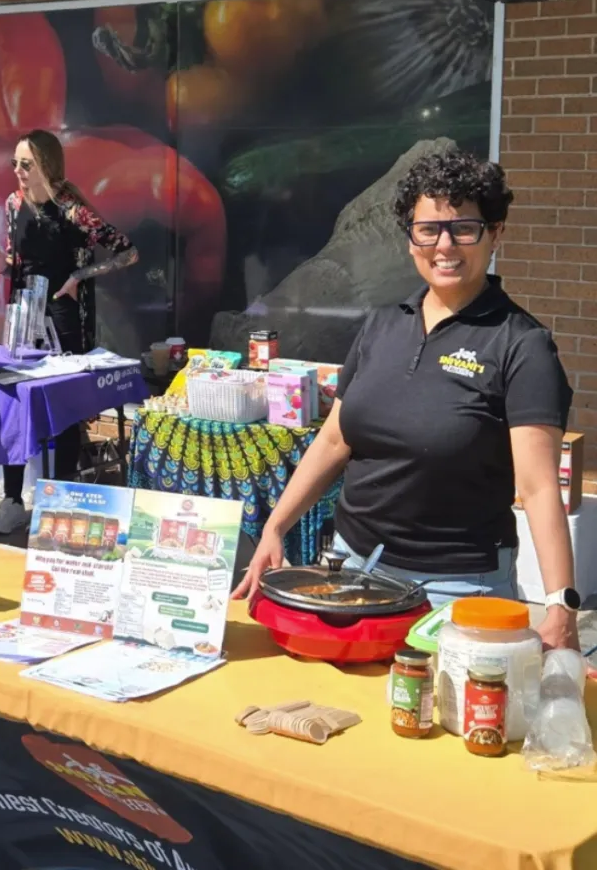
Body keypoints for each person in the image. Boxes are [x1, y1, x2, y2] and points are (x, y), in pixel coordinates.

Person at [232, 149, 581, 651]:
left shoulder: (520, 344)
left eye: (465, 228)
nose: (445, 245)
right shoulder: (382, 324)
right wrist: (275, 527)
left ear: (496, 233)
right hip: (354, 571)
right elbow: (334, 439)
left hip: (460, 591)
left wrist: (560, 605)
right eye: (428, 229)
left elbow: (539, 486)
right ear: (410, 238)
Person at [0, 129, 138, 535]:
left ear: (46, 166)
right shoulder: (15, 203)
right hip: (23, 316)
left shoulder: (73, 209)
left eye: (25, 164)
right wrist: (2, 264)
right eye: (14, 163)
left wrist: (80, 276)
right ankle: (13, 498)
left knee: (63, 411)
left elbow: (128, 251)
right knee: (14, 405)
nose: (17, 171)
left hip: (66, 318)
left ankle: (61, 501)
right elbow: (21, 259)